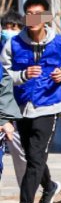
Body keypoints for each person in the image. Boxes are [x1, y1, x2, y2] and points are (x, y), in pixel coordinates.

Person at [1, 0, 61, 203]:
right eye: (29, 14)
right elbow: (3, 75)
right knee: (32, 157)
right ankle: (49, 187)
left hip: (49, 106)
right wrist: (23, 75)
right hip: (22, 107)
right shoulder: (14, 44)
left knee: (35, 159)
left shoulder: (58, 42)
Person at [0, 10, 24, 188]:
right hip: (8, 111)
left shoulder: (26, 46)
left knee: (26, 154)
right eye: (4, 28)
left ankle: (30, 193)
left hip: (22, 106)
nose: (7, 31)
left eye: (11, 27)